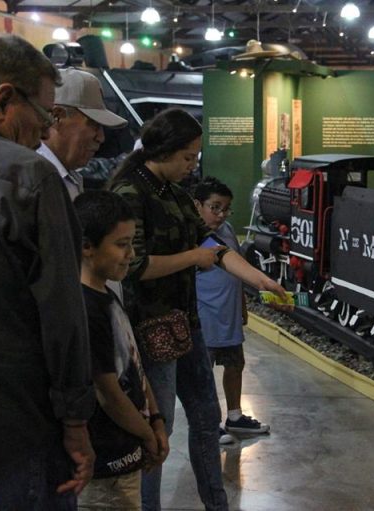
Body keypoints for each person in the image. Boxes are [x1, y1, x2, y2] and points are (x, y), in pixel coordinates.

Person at [0, 35, 95, 510]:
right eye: (45, 114)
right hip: (1, 435)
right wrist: (76, 423)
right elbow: (64, 317)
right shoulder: (29, 177)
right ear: (4, 99)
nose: (46, 131)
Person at [109, 108, 288, 511]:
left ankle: (216, 503)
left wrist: (260, 281)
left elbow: (214, 247)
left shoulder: (174, 194)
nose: (193, 165)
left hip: (188, 325)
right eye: (188, 157)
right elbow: (133, 267)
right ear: (167, 150)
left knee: (207, 419)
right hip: (150, 328)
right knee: (160, 429)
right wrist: (191, 257)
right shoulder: (130, 195)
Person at [74, 191, 169, 510]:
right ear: (87, 246)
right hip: (106, 467)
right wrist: (148, 435)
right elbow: (109, 393)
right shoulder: (86, 310)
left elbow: (135, 368)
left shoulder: (107, 296)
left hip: (127, 456)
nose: (130, 254)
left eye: (132, 243)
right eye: (121, 244)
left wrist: (156, 419)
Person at [193, 177, 270, 445]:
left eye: (225, 209)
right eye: (215, 207)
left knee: (235, 364)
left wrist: (242, 307)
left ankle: (235, 415)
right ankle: (208, 423)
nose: (221, 214)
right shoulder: (192, 236)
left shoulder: (226, 231)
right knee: (204, 373)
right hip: (205, 318)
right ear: (198, 205)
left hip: (228, 317)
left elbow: (235, 274)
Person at [37, 68, 127, 201]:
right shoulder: (32, 178)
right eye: (93, 124)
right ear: (57, 117)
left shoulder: (69, 177)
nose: (101, 138)